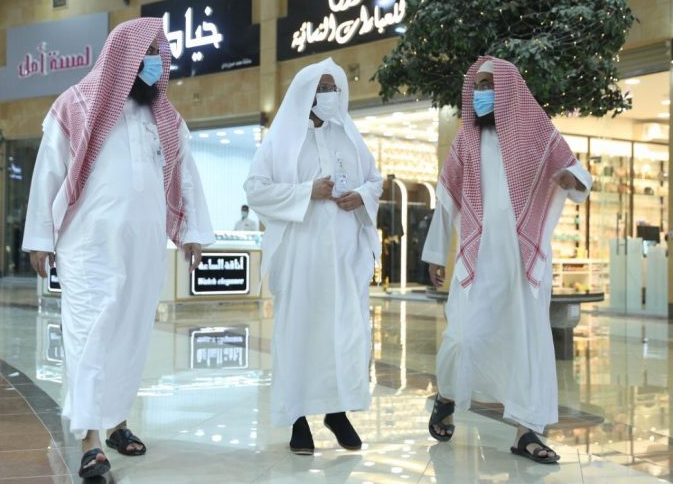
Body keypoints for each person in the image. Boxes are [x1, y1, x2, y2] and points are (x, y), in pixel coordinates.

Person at [22, 18, 214, 478]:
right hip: (88, 247)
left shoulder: (167, 118)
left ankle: (117, 424)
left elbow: (185, 177)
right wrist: (40, 238)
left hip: (144, 247)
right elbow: (48, 171)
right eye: (147, 52)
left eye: (159, 53)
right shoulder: (76, 105)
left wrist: (192, 231)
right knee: (90, 333)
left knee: (130, 334)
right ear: (122, 56)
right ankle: (89, 440)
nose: (156, 61)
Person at [422, 57, 592, 464]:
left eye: (489, 85)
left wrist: (571, 178)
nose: (481, 93)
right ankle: (447, 395)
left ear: (509, 89)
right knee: (463, 336)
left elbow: (577, 173)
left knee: (525, 343)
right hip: (477, 258)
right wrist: (436, 253)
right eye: (478, 86)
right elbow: (446, 197)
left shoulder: (537, 132)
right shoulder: (466, 139)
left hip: (522, 263)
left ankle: (526, 431)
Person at [244, 58, 382, 455]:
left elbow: (375, 180)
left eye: (333, 87)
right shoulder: (281, 140)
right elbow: (255, 189)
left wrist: (362, 196)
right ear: (305, 93)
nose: (329, 94)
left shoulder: (350, 137)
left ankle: (337, 412)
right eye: (321, 88)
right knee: (300, 334)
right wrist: (307, 192)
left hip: (343, 259)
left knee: (345, 333)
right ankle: (298, 419)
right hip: (300, 258)